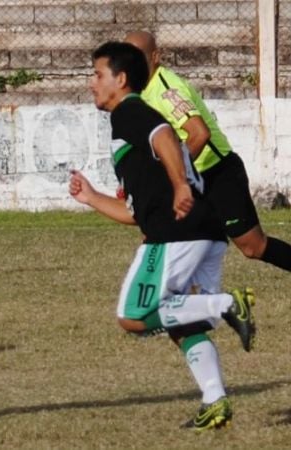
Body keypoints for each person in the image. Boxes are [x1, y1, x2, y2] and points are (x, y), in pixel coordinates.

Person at [72, 41, 255, 430]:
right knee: (180, 322)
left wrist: (181, 186)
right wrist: (91, 197)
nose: (92, 83)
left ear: (120, 80)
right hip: (203, 230)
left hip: (179, 232)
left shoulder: (130, 111)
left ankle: (225, 305)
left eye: (98, 75)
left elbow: (166, 135)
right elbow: (137, 213)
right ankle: (215, 401)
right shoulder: (129, 129)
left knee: (133, 316)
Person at [124, 30, 291, 272]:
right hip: (191, 179)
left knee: (253, 247)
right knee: (159, 238)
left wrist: (172, 175)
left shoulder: (166, 90)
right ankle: (161, 303)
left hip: (217, 172)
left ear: (155, 56)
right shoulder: (139, 92)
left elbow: (199, 134)